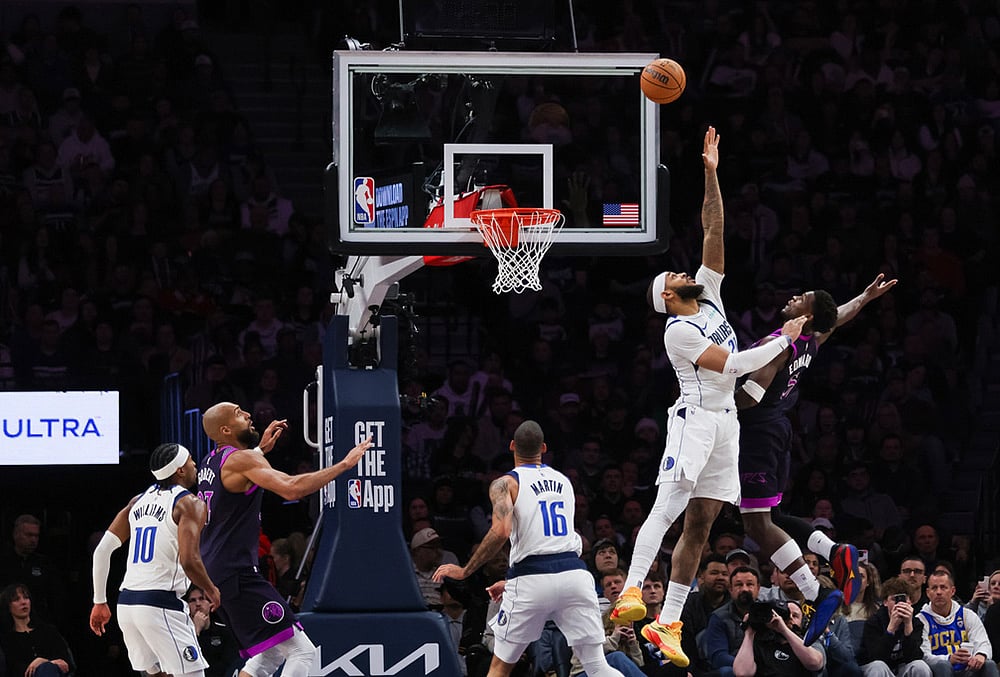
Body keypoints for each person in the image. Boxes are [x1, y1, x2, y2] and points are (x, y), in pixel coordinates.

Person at [610, 127, 808, 667]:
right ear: (669, 298)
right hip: (694, 420)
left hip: (727, 425)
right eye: (673, 275)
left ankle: (669, 623)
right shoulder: (678, 332)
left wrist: (710, 172)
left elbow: (713, 226)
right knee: (668, 506)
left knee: (700, 525)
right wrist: (782, 341)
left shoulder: (710, 293)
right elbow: (735, 365)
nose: (682, 270)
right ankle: (631, 590)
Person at [734, 273, 897, 644]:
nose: (793, 297)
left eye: (802, 297)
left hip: (758, 433)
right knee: (770, 519)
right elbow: (834, 317)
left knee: (756, 525)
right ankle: (834, 550)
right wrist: (865, 297)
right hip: (777, 430)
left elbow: (752, 395)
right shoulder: (810, 339)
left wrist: (711, 398)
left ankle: (816, 590)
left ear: (807, 314)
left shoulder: (780, 343)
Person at [432, 420, 626, 677]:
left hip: (531, 579)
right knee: (597, 664)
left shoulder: (505, 484)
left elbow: (501, 530)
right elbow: (556, 540)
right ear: (543, 448)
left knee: (500, 667)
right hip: (574, 576)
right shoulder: (564, 481)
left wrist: (465, 570)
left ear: (512, 446)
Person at [198, 401, 372, 677]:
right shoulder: (243, 460)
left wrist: (259, 450)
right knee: (303, 651)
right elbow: (291, 489)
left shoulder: (211, 461)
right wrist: (344, 465)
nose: (247, 414)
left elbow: (237, 473)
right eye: (238, 414)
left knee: (268, 655)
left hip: (217, 572)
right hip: (236, 572)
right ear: (225, 429)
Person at [90, 442, 219, 677]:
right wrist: (211, 589)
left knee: (155, 674)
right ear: (180, 469)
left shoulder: (137, 501)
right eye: (190, 460)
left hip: (127, 604)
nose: (194, 464)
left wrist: (100, 601)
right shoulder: (189, 503)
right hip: (160, 602)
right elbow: (190, 560)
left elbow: (101, 551)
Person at [919, 570, 998, 677]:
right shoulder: (921, 619)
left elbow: (983, 642)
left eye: (943, 587)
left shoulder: (967, 615)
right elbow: (923, 655)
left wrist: (980, 655)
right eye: (934, 588)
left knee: (989, 664)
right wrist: (949, 658)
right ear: (928, 593)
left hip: (968, 669)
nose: (938, 592)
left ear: (952, 591)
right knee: (943, 665)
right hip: (938, 670)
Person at [858, 576, 932, 677]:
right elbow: (876, 657)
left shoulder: (916, 623)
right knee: (878, 666)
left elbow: (914, 657)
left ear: (910, 602)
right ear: (885, 602)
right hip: (876, 668)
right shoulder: (873, 622)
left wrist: (908, 626)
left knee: (920, 666)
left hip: (901, 669)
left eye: (904, 599)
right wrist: (891, 627)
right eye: (894, 599)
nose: (900, 603)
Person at [732, 598, 826, 677]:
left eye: (795, 616)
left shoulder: (810, 641)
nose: (789, 619)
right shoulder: (760, 642)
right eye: (785, 615)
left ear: (803, 622)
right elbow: (742, 673)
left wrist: (784, 630)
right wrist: (749, 633)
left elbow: (815, 663)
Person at [0, 583, 74, 677]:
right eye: (16, 599)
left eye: (26, 598)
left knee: (47, 669)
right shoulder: (6, 638)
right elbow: (12, 668)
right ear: (8, 606)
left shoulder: (48, 631)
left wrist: (43, 661)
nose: (23, 602)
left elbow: (66, 663)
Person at [187, 585, 243, 677]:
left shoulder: (224, 631)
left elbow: (231, 664)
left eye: (201, 599)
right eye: (192, 600)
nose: (198, 604)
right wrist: (196, 632)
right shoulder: (184, 634)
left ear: (210, 604)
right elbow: (189, 662)